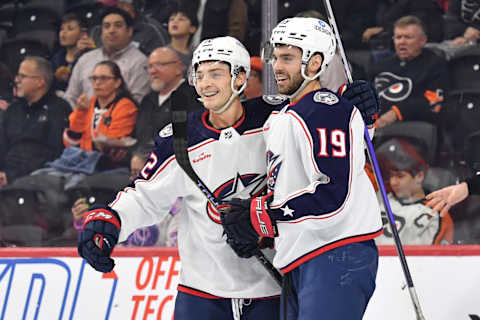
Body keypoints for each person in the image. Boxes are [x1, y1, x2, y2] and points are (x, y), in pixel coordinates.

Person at [78, 36, 282, 319]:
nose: (206, 83)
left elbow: (324, 142)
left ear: (240, 77)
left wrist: (354, 108)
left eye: (216, 73)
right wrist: (111, 221)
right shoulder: (180, 137)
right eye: (199, 74)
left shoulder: (278, 119)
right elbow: (144, 196)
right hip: (202, 294)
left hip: (273, 290)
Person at [220, 17, 383, 319]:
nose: (276, 67)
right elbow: (292, 187)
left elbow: (333, 194)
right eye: (276, 57)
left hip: (336, 253)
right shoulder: (284, 116)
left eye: (287, 58)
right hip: (302, 254)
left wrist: (264, 215)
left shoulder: (324, 108)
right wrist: (258, 224)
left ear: (314, 62)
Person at [0, 56, 71, 188]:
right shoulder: (13, 110)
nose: (16, 80)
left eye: (22, 76)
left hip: (37, 179)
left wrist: (11, 175)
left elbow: (53, 153)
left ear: (40, 82)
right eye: (17, 76)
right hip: (6, 174)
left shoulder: (59, 109)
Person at [370, 15, 449, 129]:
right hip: (374, 125)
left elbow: (434, 101)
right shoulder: (381, 65)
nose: (402, 42)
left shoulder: (434, 64)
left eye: (408, 37)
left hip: (410, 127)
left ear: (423, 41)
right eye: (398, 37)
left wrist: (397, 112)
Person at [64, 6, 150, 109]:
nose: (111, 30)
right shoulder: (86, 59)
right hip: (82, 121)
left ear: (129, 31)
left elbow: (137, 103)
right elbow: (70, 97)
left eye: (118, 26)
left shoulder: (140, 62)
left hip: (121, 121)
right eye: (106, 26)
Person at [375, 138, 454, 245]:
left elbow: (431, 258)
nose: (393, 182)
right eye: (391, 176)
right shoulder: (379, 198)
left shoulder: (436, 214)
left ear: (419, 176)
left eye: (400, 176)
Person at [63, 60, 138, 168]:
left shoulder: (126, 107)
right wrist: (81, 112)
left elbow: (108, 146)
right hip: (78, 159)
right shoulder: (88, 103)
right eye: (94, 78)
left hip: (105, 165)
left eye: (104, 78)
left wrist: (84, 145)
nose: (97, 83)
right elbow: (70, 140)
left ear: (117, 82)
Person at [134, 46, 202, 150]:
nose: (152, 71)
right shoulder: (147, 100)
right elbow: (139, 136)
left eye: (159, 65)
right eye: (149, 67)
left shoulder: (193, 97)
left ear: (178, 68)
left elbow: (192, 137)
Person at [51, 13, 95, 94]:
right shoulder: (57, 58)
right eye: (61, 29)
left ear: (83, 34)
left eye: (70, 29)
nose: (63, 33)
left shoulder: (89, 57)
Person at [167, 8, 198, 72]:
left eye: (181, 19)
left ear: (192, 28)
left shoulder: (196, 57)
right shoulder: (162, 53)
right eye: (171, 19)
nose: (175, 21)